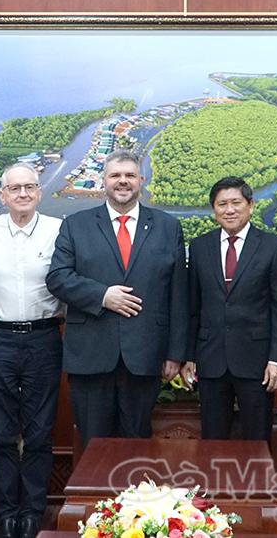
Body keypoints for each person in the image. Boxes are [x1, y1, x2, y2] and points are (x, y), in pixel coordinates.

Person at [45, 149, 188, 446]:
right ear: (104, 181)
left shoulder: (167, 227)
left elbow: (178, 294)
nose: (123, 181)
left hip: (145, 356)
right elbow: (58, 278)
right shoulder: (75, 225)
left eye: (130, 175)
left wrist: (175, 354)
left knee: (136, 447)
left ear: (141, 180)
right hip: (91, 355)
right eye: (115, 175)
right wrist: (102, 295)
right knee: (94, 446)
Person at [0, 163, 64, 538]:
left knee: (40, 433)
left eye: (30, 187)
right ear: (2, 195)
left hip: (44, 338)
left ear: (39, 192)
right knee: (2, 434)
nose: (23, 193)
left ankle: (32, 514)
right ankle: (7, 515)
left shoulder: (58, 231)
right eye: (15, 188)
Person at [182, 176, 277, 441]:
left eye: (236, 203)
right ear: (214, 210)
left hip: (257, 362)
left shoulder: (273, 246)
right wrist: (188, 356)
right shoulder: (199, 247)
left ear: (250, 205)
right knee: (213, 441)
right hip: (211, 361)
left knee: (257, 441)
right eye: (222, 204)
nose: (229, 210)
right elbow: (192, 307)